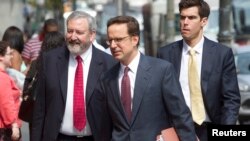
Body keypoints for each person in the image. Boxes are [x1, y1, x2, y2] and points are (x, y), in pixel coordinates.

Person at [101, 15, 197, 141]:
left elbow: (180, 115)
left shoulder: (161, 70)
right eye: (110, 40)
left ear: (135, 39)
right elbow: (106, 123)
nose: (113, 45)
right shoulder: (107, 78)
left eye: (118, 39)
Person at [157, 0, 241, 141]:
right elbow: (158, 98)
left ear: (204, 21)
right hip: (178, 131)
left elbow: (231, 100)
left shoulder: (222, 54)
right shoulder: (165, 54)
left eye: (191, 17)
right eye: (182, 17)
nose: (185, 22)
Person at [31, 11, 116, 141]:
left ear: (92, 35)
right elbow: (40, 108)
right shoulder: (51, 60)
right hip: (58, 137)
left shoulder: (109, 63)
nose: (73, 37)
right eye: (70, 31)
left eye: (79, 32)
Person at [19, 31, 66, 140]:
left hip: (35, 111)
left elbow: (27, 84)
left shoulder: (37, 62)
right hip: (56, 112)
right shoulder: (65, 64)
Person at [0, 41, 21, 141]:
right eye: (9, 54)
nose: (12, 57)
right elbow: (6, 103)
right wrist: (14, 125)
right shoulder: (2, 78)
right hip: (4, 129)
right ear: (1, 56)